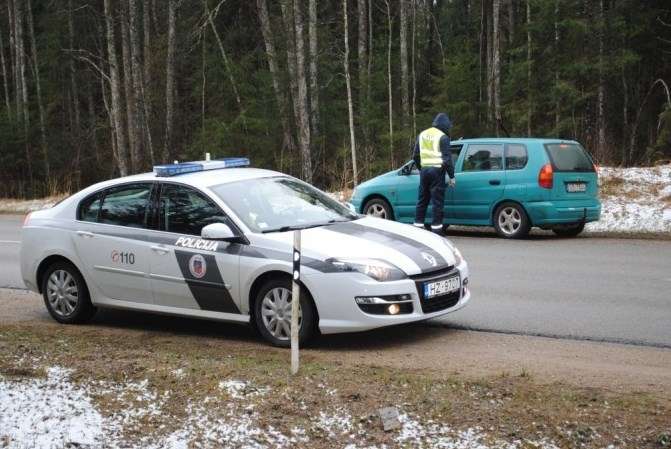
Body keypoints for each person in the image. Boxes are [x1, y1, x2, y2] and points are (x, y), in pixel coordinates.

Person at [412, 112, 455, 234]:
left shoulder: (422, 134)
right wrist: (452, 176)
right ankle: (437, 230)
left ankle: (418, 227)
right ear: (444, 125)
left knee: (422, 200)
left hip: (425, 171)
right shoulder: (443, 137)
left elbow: (415, 155)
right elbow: (447, 160)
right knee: (437, 202)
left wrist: (422, 168)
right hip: (437, 172)